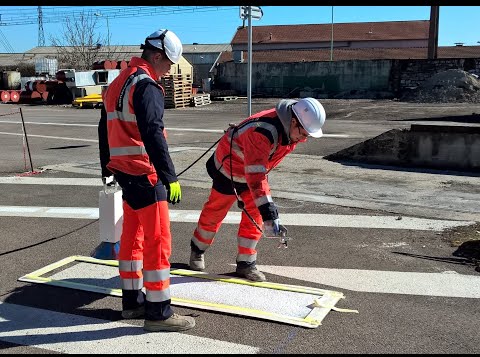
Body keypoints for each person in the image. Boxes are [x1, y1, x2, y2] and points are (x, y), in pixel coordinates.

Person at [98, 28, 195, 332]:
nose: (168, 71)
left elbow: (104, 128)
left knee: (132, 236)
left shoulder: (118, 83)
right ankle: (159, 312)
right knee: (158, 240)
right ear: (156, 56)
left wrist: (107, 166)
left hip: (124, 171)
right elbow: (153, 132)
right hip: (145, 171)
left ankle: (132, 303)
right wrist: (170, 176)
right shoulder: (147, 85)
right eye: (168, 64)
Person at [189, 97, 326, 282]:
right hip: (228, 169)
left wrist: (266, 208)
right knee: (215, 211)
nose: (304, 139)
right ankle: (197, 250)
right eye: (304, 133)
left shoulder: (290, 132)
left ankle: (246, 263)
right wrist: (269, 208)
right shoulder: (263, 132)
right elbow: (255, 175)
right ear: (294, 121)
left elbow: (258, 171)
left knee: (255, 216)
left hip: (254, 172)